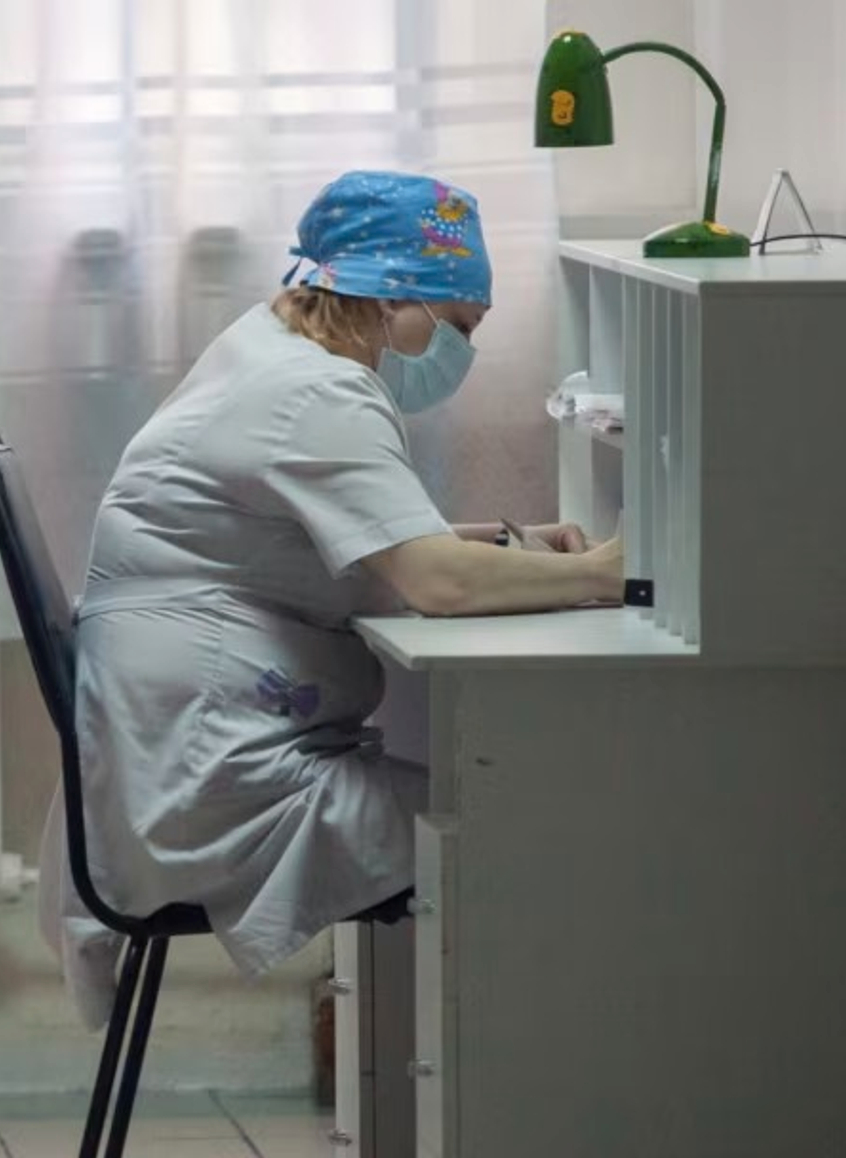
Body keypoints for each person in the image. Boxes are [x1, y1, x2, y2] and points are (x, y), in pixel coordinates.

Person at [39, 170, 624, 1028]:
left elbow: (350, 536)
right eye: (459, 326)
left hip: (174, 746)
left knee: (479, 806)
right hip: (216, 778)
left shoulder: (269, 348)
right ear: (393, 297)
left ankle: (432, 1080)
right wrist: (609, 573)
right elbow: (437, 583)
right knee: (506, 826)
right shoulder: (319, 393)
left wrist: (510, 543)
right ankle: (471, 1082)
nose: (461, 353)